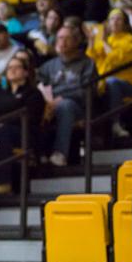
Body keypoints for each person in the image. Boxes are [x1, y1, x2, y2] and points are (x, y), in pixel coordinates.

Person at [38, 25, 96, 167]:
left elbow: (87, 91)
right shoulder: (48, 66)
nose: (62, 42)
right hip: (50, 104)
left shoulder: (87, 63)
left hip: (79, 108)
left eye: (67, 38)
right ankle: (38, 154)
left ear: (76, 41)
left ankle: (60, 153)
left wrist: (61, 98)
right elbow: (39, 85)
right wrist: (47, 101)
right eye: (59, 38)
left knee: (66, 105)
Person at [0, 56, 45, 193]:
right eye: (10, 68)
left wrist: (2, 124)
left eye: (17, 67)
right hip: (0, 131)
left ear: (25, 72)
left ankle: (3, 181)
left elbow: (31, 117)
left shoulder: (33, 93)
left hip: (25, 133)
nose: (12, 70)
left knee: (2, 132)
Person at [85, 8, 132, 138]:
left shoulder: (130, 40)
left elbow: (116, 61)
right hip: (104, 83)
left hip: (131, 85)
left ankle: (116, 124)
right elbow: (90, 61)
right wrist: (91, 41)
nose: (115, 22)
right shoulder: (107, 39)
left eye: (118, 19)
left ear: (125, 23)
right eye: (112, 19)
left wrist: (104, 42)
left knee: (112, 82)